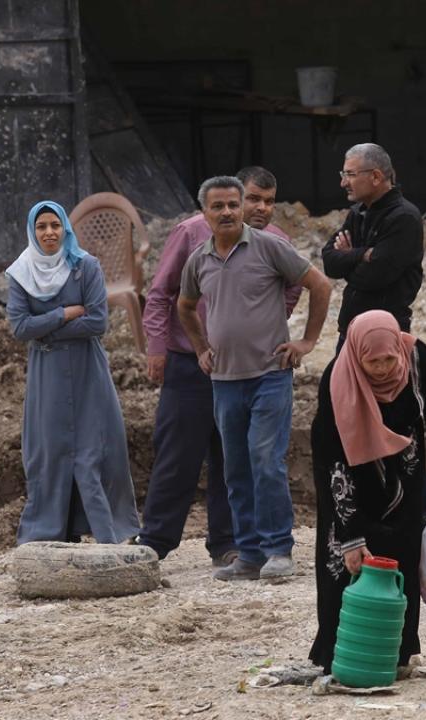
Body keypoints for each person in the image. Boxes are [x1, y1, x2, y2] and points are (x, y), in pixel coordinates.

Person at [139, 167, 297, 568]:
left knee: (233, 458)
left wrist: (269, 323)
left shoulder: (275, 243)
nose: (259, 208)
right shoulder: (191, 235)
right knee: (177, 452)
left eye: (267, 201)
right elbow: (162, 293)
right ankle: (154, 540)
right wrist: (157, 347)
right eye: (252, 199)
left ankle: (228, 543)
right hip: (190, 363)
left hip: (248, 369)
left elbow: (299, 284)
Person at [178, 176, 332, 581]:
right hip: (224, 381)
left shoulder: (269, 247)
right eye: (218, 206)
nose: (227, 212)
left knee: (265, 460)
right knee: (236, 467)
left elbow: (319, 285)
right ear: (205, 213)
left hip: (270, 375)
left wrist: (307, 341)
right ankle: (248, 555)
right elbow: (185, 305)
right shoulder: (198, 259)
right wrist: (200, 348)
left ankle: (278, 549)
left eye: (234, 204)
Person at [309, 310, 426, 675]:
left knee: (402, 555)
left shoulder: (417, 358)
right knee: (348, 561)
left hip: (405, 470)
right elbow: (330, 461)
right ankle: (341, 654)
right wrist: (350, 535)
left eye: (389, 359)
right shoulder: (338, 380)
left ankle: (398, 652)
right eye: (373, 362)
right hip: (352, 475)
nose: (383, 369)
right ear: (358, 356)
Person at [5, 201, 141, 545]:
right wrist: (63, 314)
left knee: (94, 446)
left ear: (65, 228)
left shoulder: (85, 266)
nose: (49, 232)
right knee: (51, 449)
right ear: (32, 232)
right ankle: (53, 532)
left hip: (87, 370)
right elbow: (20, 327)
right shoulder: (21, 273)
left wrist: (45, 331)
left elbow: (97, 322)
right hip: (47, 375)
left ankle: (107, 530)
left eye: (55, 225)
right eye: (41, 227)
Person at [322, 143, 424, 344]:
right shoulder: (357, 213)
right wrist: (361, 254)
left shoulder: (404, 218)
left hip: (383, 334)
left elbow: (372, 278)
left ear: (376, 177)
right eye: (343, 174)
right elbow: (329, 262)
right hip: (350, 330)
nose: (343, 183)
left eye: (350, 174)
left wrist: (348, 257)